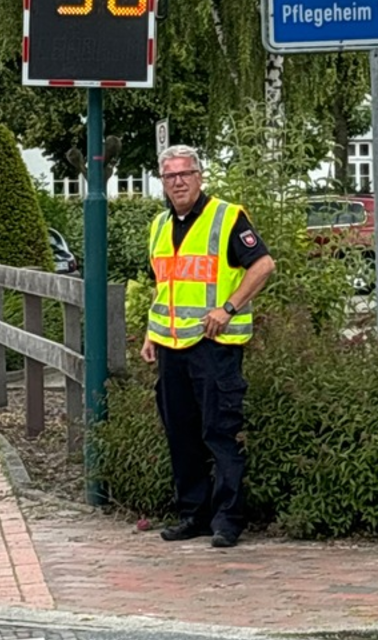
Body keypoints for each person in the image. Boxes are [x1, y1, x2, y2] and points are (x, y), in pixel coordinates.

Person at [141, 145, 276, 548]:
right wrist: (151, 332)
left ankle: (227, 521)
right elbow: (165, 285)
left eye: (185, 174)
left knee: (220, 434)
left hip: (215, 346)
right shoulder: (159, 225)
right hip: (171, 346)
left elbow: (263, 264)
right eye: (170, 176)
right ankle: (194, 515)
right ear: (163, 183)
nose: (178, 182)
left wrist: (229, 307)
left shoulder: (227, 217)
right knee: (181, 434)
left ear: (200, 177)